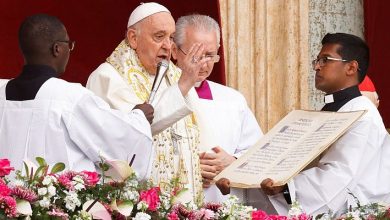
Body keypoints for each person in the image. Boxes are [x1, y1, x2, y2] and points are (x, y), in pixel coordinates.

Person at [217, 33, 390, 216]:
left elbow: (339, 177)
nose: (316, 67)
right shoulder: (335, 108)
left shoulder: (362, 114)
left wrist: (286, 188)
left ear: (351, 67)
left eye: (325, 60)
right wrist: (241, 176)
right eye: (317, 60)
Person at [0, 14, 155, 180]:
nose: (69, 50)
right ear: (57, 49)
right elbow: (116, 139)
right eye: (69, 44)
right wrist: (139, 117)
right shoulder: (68, 97)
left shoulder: (2, 91)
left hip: (7, 203)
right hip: (53, 204)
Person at [86, 3, 209, 205]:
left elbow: (199, 132)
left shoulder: (177, 76)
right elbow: (136, 129)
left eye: (171, 38)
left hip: (182, 201)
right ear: (133, 38)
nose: (168, 46)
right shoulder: (108, 77)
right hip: (134, 204)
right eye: (159, 37)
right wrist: (185, 83)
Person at [171, 14, 263, 204]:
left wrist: (233, 162)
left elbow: (258, 152)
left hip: (225, 205)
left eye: (210, 55)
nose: (204, 64)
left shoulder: (233, 99)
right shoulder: (161, 96)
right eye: (196, 55)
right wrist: (188, 168)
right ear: (174, 51)